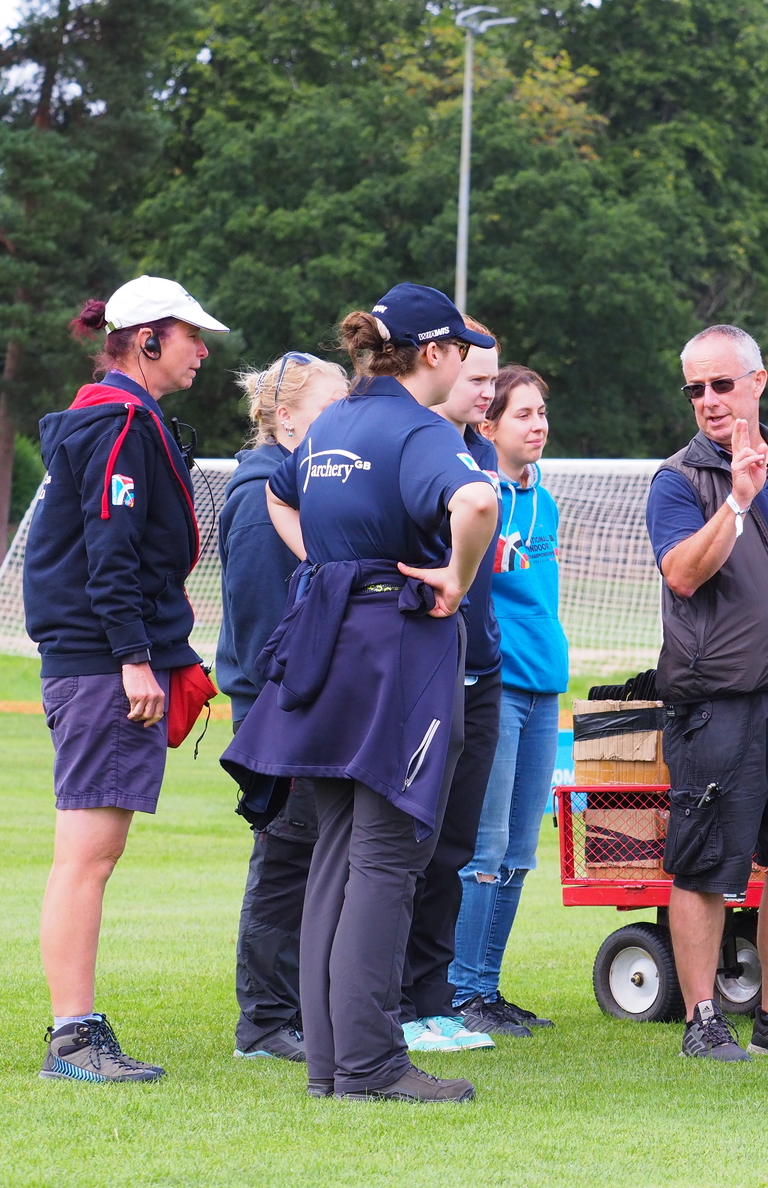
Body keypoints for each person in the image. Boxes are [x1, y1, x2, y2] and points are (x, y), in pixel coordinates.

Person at [220, 282, 498, 1104]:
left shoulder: (333, 423)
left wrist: (330, 566)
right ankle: (373, 1066)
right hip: (396, 657)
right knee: (384, 857)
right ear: (436, 353)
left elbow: (279, 490)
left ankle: (330, 1066)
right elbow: (478, 499)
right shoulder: (417, 428)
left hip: (325, 643)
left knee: (335, 855)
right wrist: (457, 574)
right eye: (462, 353)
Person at [25, 275, 229, 1082]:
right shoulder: (118, 422)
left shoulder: (111, 416)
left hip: (94, 660)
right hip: (103, 666)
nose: (202, 351)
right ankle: (74, 1037)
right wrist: (134, 657)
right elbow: (109, 555)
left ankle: (75, 1029)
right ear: (146, 338)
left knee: (90, 852)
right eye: (190, 336)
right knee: (87, 854)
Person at [643, 324, 768, 1063]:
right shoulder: (678, 479)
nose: (708, 400)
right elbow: (683, 574)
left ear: (757, 382)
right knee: (705, 867)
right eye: (695, 388)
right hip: (717, 706)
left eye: (721, 384)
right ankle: (703, 1020)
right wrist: (734, 503)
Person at [215, 353, 348, 1063]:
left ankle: (293, 1011)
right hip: (280, 707)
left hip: (302, 701)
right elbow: (266, 621)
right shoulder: (263, 492)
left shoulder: (299, 486)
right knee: (286, 855)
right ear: (286, 416)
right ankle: (265, 1023)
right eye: (330, 410)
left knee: (304, 854)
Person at [394, 317, 503, 1054]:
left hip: (481, 670)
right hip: (421, 673)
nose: (488, 392)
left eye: (496, 379)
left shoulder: (482, 451)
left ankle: (432, 1001)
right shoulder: (411, 450)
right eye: (477, 378)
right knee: (407, 847)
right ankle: (396, 1004)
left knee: (456, 848)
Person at [449, 365, 567, 1036]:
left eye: (542, 411)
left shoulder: (544, 502)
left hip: (545, 690)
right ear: (487, 427)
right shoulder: (475, 498)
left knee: (521, 851)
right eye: (523, 413)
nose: (539, 424)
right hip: (495, 690)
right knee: (484, 850)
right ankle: (460, 991)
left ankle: (485, 988)